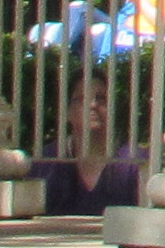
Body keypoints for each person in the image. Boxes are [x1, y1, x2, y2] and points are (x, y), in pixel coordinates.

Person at [35, 82, 140, 218]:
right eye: (81, 99)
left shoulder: (133, 161)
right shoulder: (46, 161)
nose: (93, 105)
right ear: (67, 111)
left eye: (101, 98)